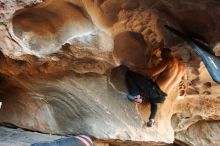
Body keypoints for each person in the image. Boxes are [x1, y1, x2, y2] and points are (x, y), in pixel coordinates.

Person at [126, 48, 185, 127]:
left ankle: (136, 96)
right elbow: (184, 79)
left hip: (154, 91)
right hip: (162, 97)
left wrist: (135, 68)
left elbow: (151, 73)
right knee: (153, 101)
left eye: (162, 57)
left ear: (165, 54)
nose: (162, 59)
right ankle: (152, 120)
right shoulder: (183, 67)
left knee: (130, 74)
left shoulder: (167, 60)